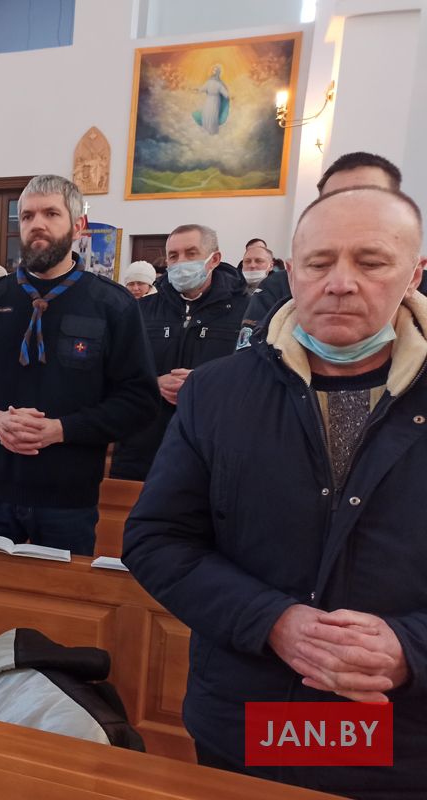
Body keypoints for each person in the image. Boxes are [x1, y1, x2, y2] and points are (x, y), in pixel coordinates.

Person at [123, 186, 427, 797]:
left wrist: (411, 649)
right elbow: (158, 539)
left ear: (414, 272)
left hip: (401, 740)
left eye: (371, 262)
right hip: (248, 716)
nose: (340, 283)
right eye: (319, 262)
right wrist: (272, 621)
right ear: (292, 269)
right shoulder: (218, 392)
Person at [0, 175, 159, 555]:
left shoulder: (113, 305)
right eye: (27, 216)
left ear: (77, 225)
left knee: (59, 595)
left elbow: (139, 400)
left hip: (68, 496)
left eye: (51, 214)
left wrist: (61, 429)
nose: (36, 224)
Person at [109, 225, 247, 481]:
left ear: (214, 259)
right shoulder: (140, 310)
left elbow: (254, 377)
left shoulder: (246, 312)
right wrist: (154, 382)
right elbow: (116, 371)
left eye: (191, 253)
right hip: (144, 446)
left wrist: (204, 384)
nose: (181, 262)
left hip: (211, 446)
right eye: (173, 256)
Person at [242, 152, 405, 341]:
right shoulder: (277, 287)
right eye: (335, 202)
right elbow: (252, 350)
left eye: (369, 201)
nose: (341, 285)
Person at [194, 64, 229, 134]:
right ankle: (209, 130)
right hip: (212, 100)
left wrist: (196, 90)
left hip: (212, 100)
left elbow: (226, 94)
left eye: (215, 71)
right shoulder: (215, 83)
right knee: (209, 113)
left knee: (210, 113)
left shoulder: (214, 83)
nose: (214, 72)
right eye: (214, 71)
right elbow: (203, 88)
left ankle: (209, 130)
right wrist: (197, 90)